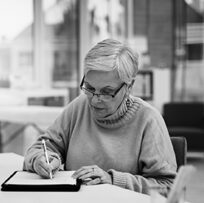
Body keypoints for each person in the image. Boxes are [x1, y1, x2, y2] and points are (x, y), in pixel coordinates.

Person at [23, 38, 177, 195]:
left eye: (107, 91)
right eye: (89, 88)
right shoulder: (79, 106)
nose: (95, 100)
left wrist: (112, 180)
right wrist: (40, 160)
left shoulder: (148, 119)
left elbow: (168, 187)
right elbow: (40, 148)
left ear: (129, 86)